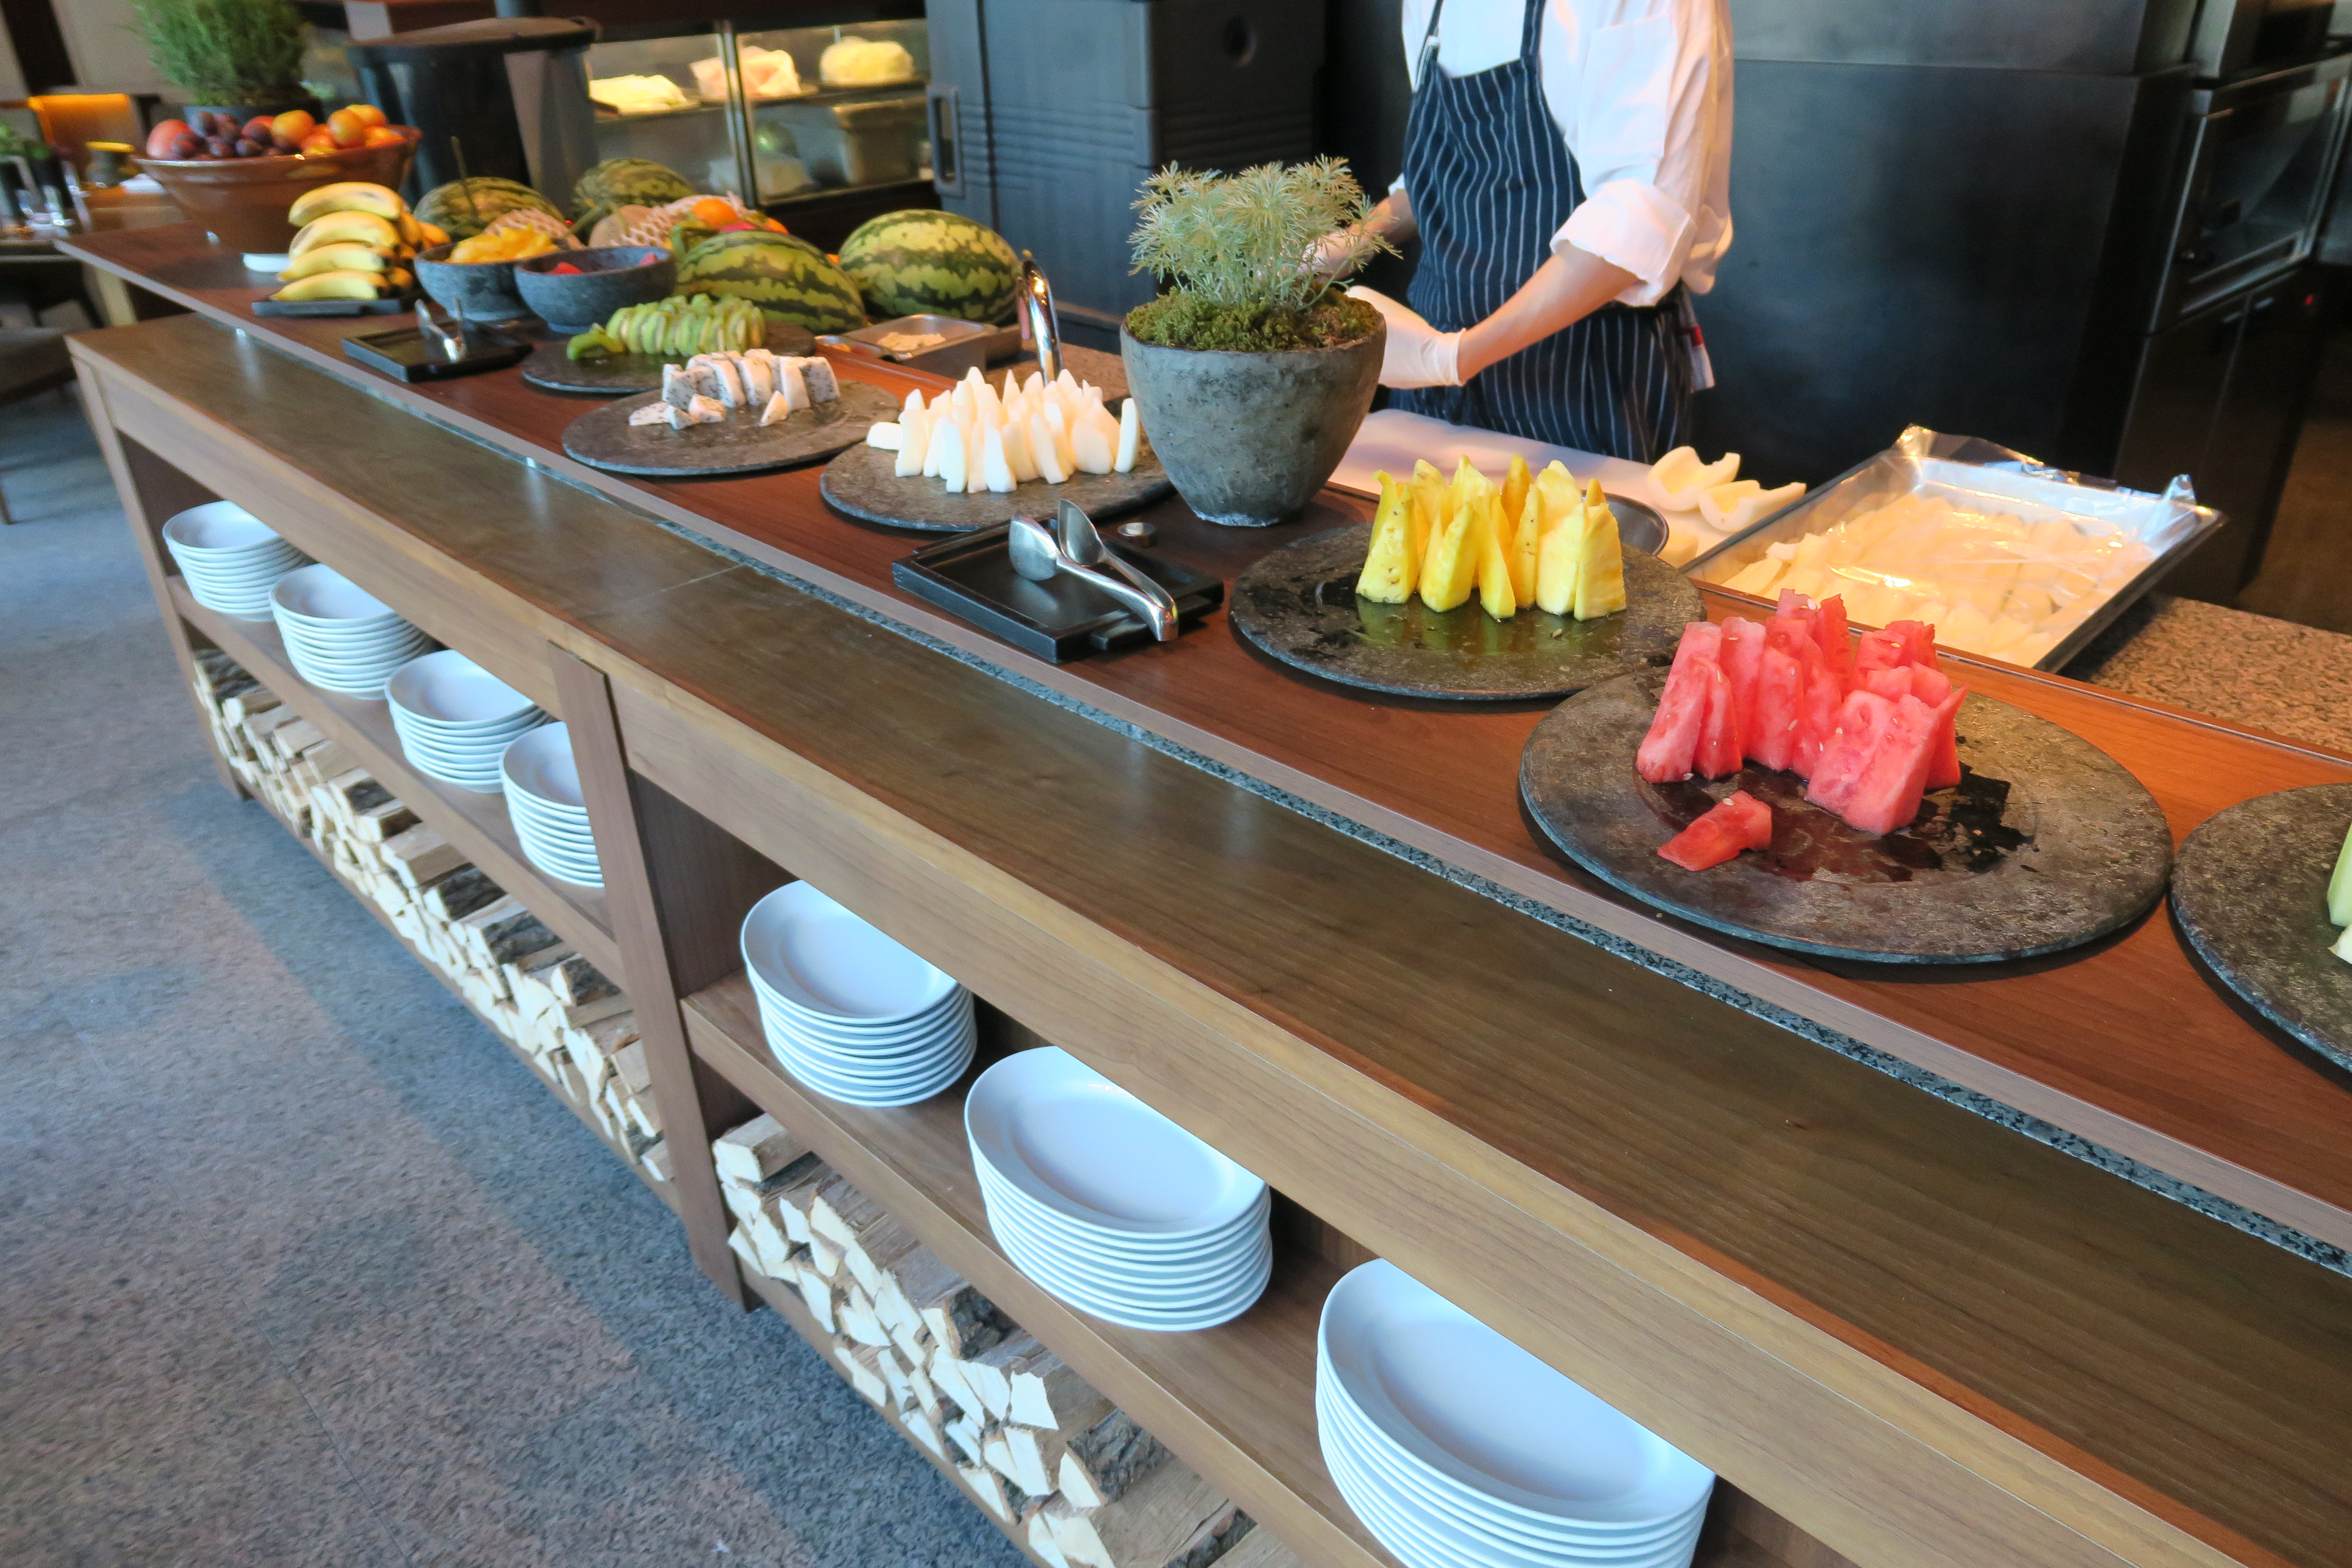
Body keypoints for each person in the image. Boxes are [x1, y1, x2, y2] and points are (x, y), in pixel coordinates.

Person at [1338, 0, 1733, 462]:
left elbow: (1638, 218)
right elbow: (1442, 173)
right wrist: (1343, 246)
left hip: (1581, 380)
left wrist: (1454, 357)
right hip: (1429, 384)